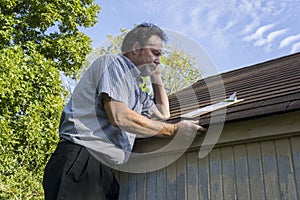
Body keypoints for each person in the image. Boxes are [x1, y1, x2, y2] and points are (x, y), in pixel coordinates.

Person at [43, 22, 206, 200]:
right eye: (155, 53)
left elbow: (163, 113)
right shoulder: (113, 64)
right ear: (136, 48)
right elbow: (119, 116)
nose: (159, 60)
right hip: (81, 162)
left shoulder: (136, 90)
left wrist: (156, 76)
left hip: (103, 171)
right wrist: (174, 131)